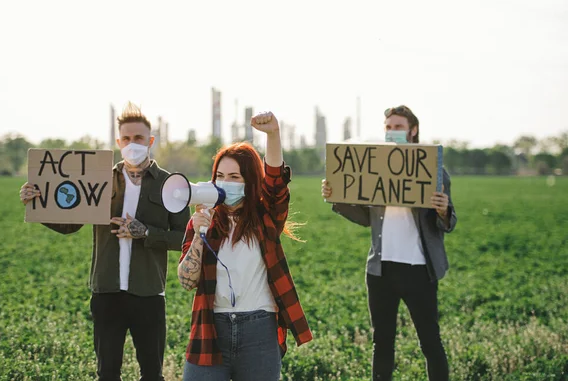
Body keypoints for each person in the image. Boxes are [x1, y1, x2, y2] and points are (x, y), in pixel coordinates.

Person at [19, 102, 190, 381]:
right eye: (126, 138)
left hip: (148, 294)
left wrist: (145, 232)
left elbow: (184, 238)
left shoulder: (170, 185)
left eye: (138, 138)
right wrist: (38, 204)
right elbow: (70, 223)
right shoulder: (99, 180)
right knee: (107, 373)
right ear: (118, 141)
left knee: (152, 374)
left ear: (150, 140)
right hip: (106, 292)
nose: (132, 144)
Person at [321, 105, 457, 381]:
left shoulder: (434, 171)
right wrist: (337, 197)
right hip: (381, 270)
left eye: (398, 127)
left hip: (420, 270)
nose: (392, 132)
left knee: (430, 342)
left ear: (413, 130)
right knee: (381, 343)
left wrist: (443, 210)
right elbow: (365, 218)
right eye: (388, 127)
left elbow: (448, 223)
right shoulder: (376, 169)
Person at [177, 111, 313, 381]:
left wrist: (273, 135)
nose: (225, 182)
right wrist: (198, 234)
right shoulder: (202, 221)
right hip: (210, 327)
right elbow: (186, 281)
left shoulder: (266, 217)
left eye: (235, 177)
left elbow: (275, 182)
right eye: (220, 175)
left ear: (250, 181)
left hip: (258, 330)